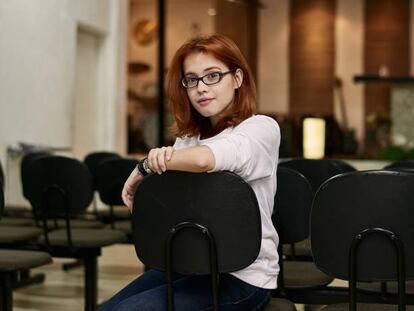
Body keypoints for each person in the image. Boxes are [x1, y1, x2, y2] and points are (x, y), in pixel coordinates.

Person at [99, 34, 280, 311]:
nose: (201, 89)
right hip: (188, 264)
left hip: (242, 276)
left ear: (238, 78)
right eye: (191, 80)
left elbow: (206, 160)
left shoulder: (260, 128)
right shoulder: (188, 139)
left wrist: (144, 166)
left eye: (213, 76)